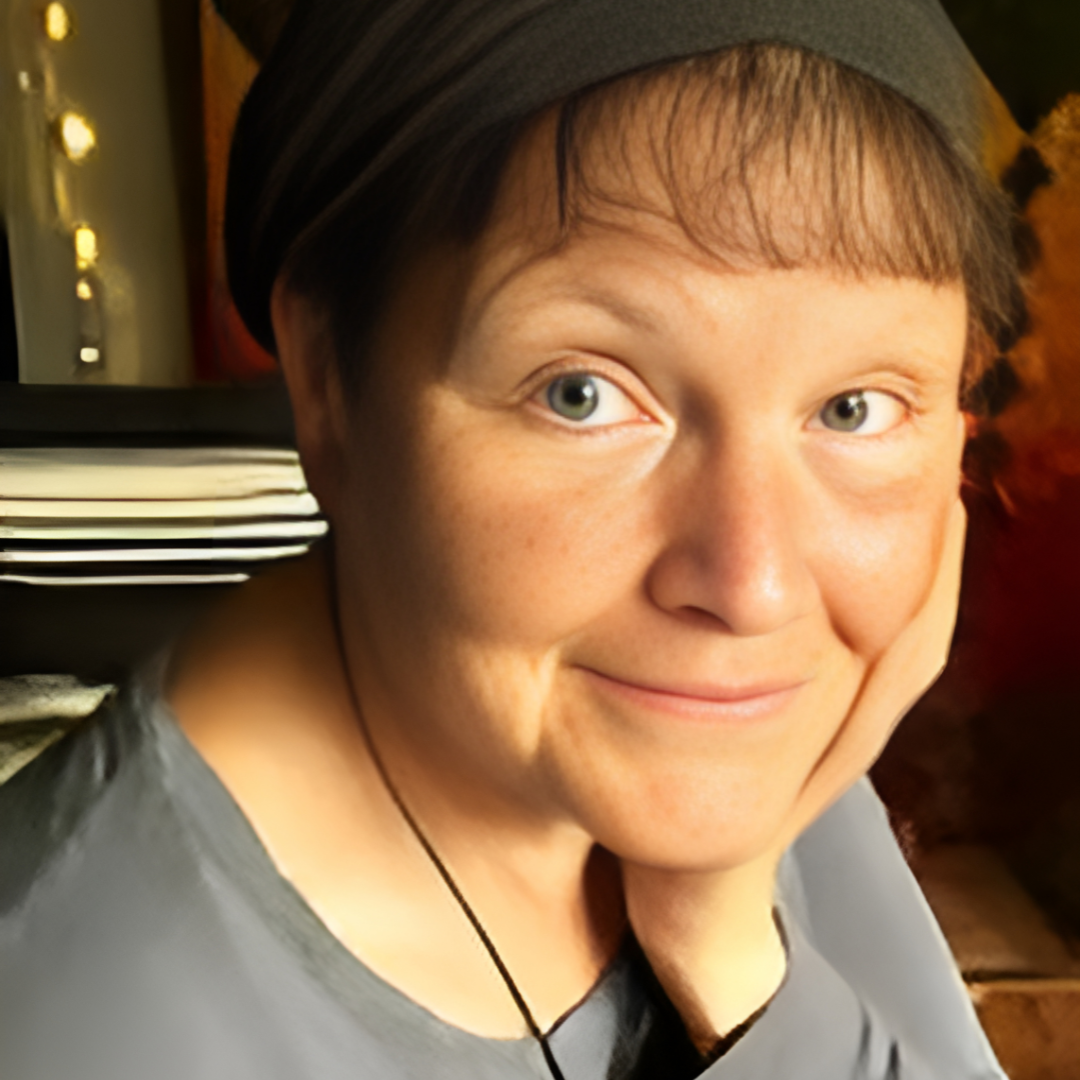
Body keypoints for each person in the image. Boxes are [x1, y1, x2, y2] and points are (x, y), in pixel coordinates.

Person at [0, 1, 1025, 1077]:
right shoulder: (76, 1024)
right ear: (327, 376)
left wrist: (731, 946)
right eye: (581, 393)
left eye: (855, 409)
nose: (754, 587)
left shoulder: (729, 732)